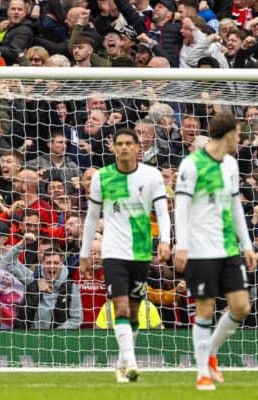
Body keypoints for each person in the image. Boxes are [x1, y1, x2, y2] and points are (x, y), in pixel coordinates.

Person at [79, 128, 171, 383]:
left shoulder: (151, 175)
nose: (124, 148)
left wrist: (165, 241)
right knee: (119, 305)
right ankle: (131, 363)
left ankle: (121, 363)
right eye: (119, 144)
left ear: (137, 147)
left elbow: (162, 212)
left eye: (129, 143)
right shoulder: (102, 177)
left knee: (133, 310)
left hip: (141, 251)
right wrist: (85, 253)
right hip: (113, 251)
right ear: (113, 147)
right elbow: (92, 217)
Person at [173, 112, 256, 391]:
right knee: (205, 309)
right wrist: (181, 244)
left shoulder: (231, 165)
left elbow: (235, 207)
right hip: (199, 249)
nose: (240, 139)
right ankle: (202, 374)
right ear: (230, 134)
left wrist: (247, 245)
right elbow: (181, 207)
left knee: (242, 307)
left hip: (228, 247)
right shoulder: (192, 164)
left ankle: (210, 353)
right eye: (238, 133)